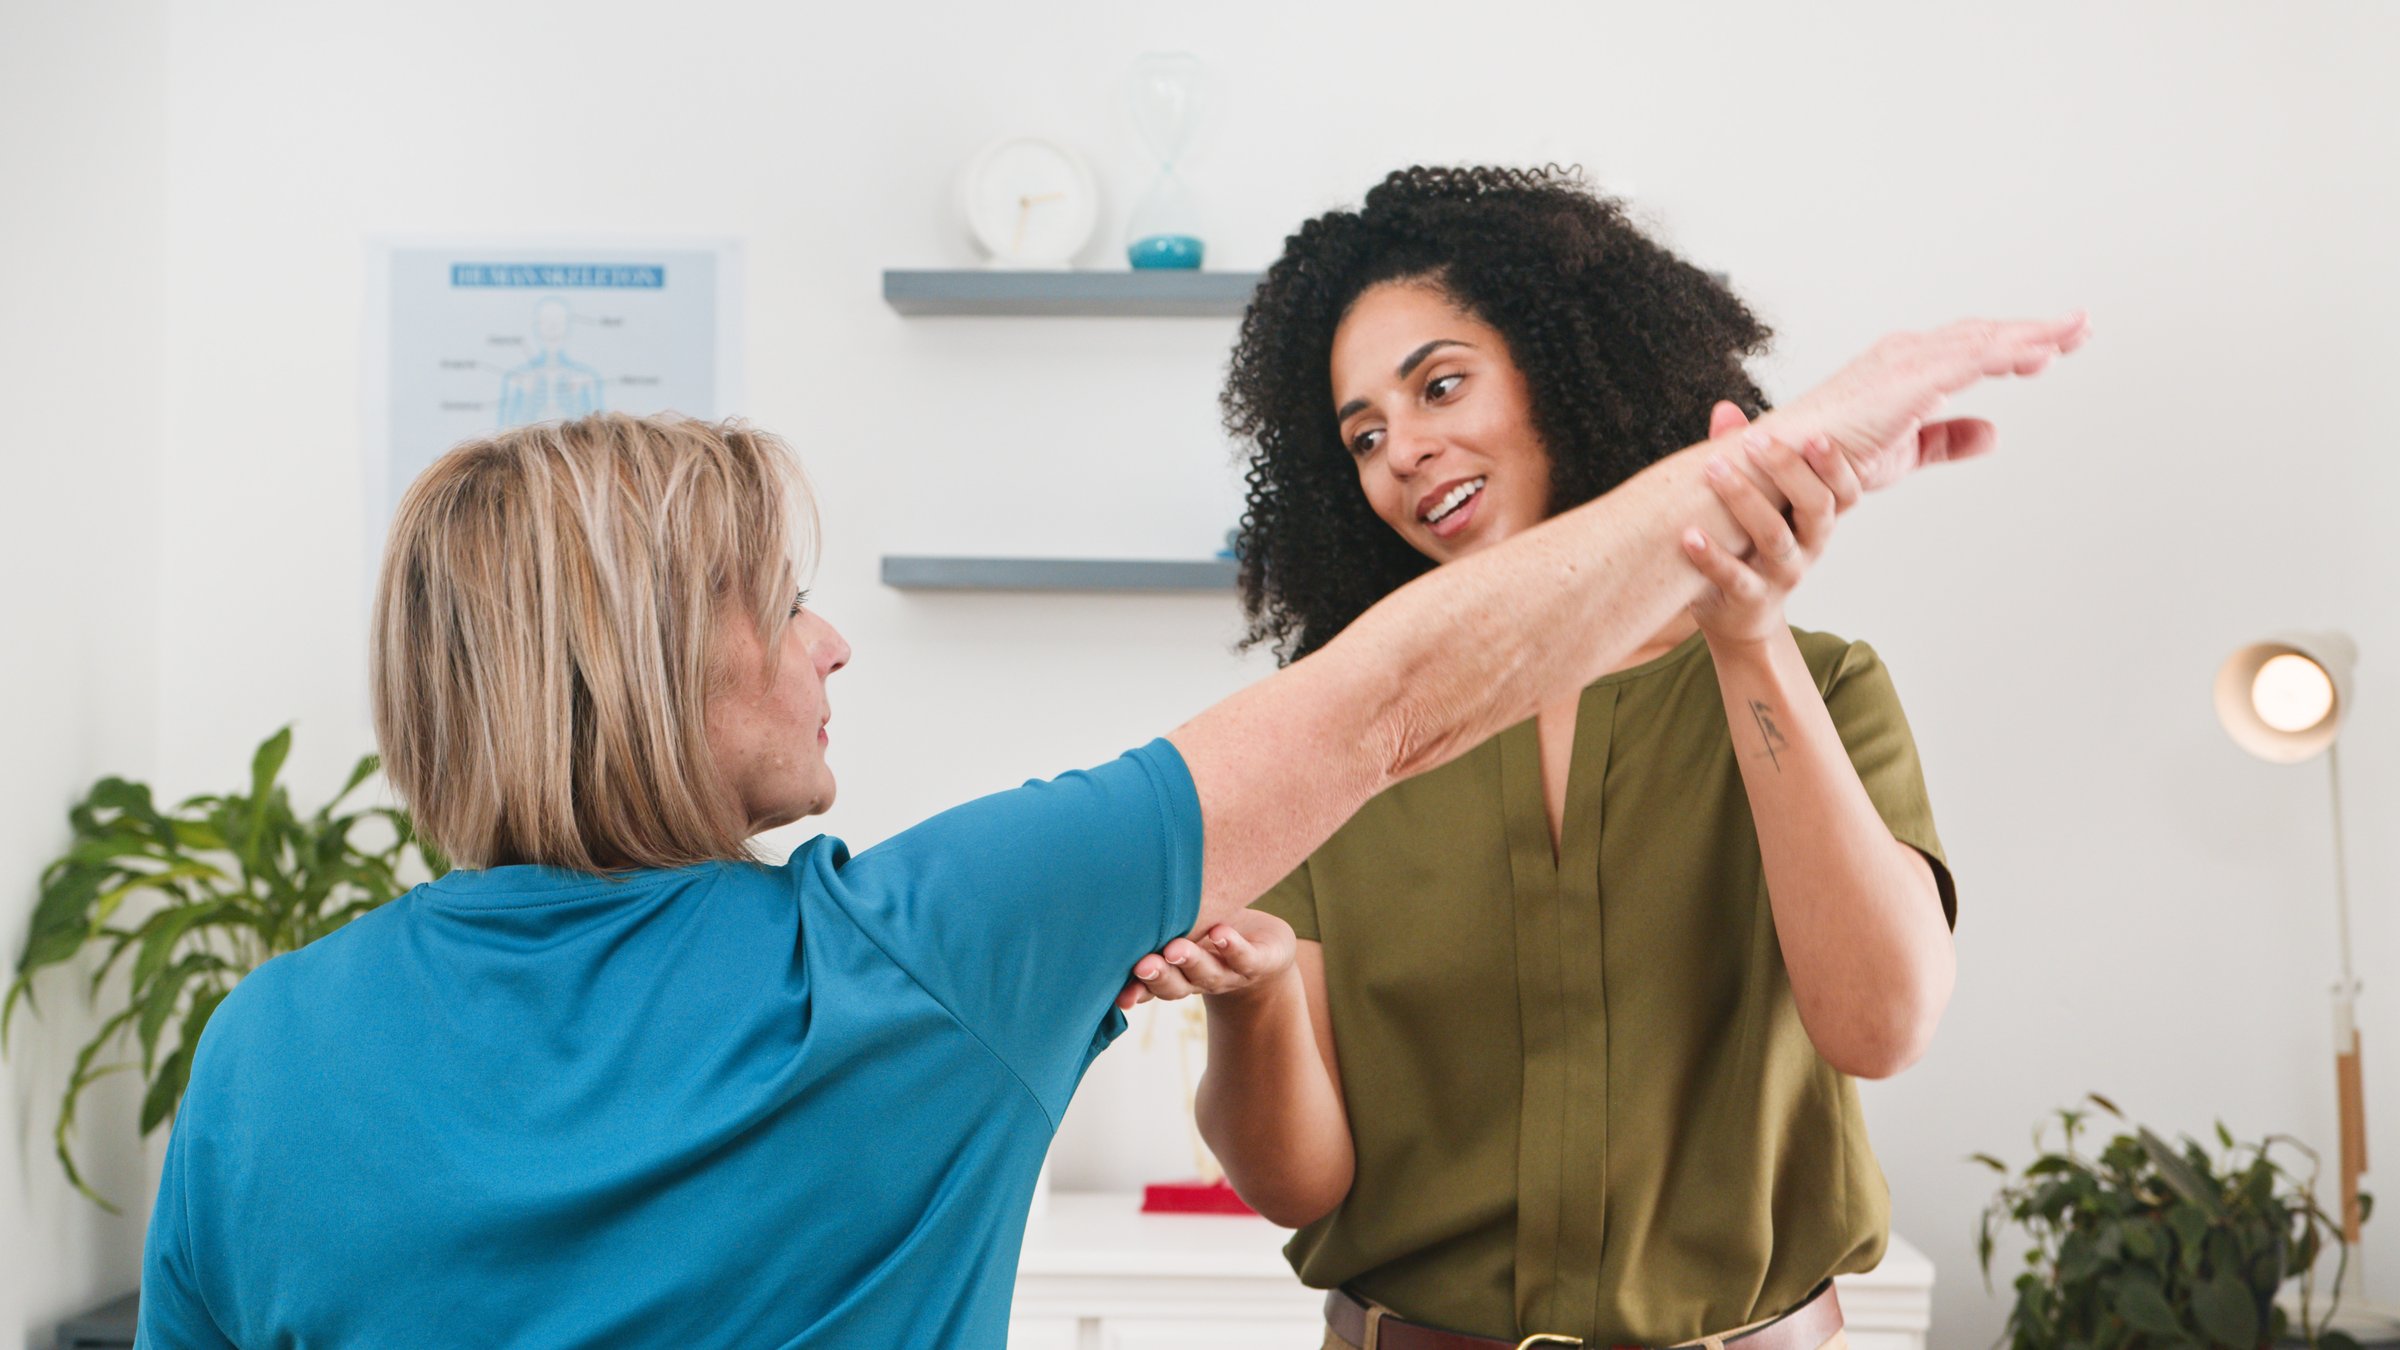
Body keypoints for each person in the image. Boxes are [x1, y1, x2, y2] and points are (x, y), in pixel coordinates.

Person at [134, 308, 2082, 1344]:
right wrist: (1797, 452)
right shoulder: (916, 957)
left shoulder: (255, 1061)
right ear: (646, 661)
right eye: (776, 597)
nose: (828, 644)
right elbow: (1394, 703)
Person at [1119, 166, 2013, 1350]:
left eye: (1441, 386)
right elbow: (1298, 1186)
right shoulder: (1334, 743)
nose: (1405, 453)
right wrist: (1258, 995)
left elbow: (1882, 1027)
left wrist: (1741, 633)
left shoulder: (1825, 686)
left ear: (1567, 370)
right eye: (1365, 435)